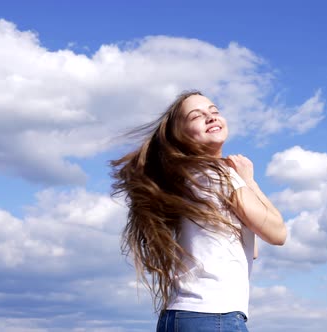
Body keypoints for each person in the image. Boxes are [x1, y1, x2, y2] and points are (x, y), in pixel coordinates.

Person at [110, 90, 287, 332]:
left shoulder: (190, 180)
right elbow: (278, 233)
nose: (211, 117)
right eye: (197, 116)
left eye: (214, 111)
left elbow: (251, 249)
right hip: (213, 316)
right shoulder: (217, 176)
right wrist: (249, 181)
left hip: (181, 317)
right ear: (179, 135)